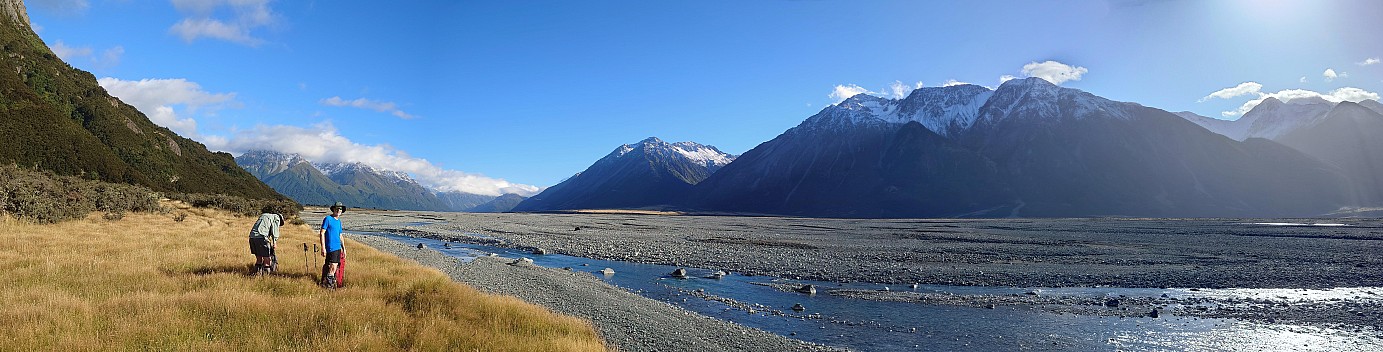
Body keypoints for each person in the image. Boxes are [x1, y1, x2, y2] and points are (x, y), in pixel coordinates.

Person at [248, 207, 284, 275]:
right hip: (261, 238)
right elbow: (274, 231)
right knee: (267, 259)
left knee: (259, 259)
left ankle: (255, 274)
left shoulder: (264, 215)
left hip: (252, 238)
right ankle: (266, 277)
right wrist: (274, 242)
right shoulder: (276, 218)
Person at [319, 202, 346, 287]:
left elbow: (340, 235)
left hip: (338, 248)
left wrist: (344, 248)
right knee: (333, 267)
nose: (339, 210)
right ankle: (329, 286)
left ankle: (325, 283)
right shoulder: (328, 219)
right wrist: (323, 247)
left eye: (340, 209)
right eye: (337, 208)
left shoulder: (338, 221)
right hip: (331, 247)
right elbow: (322, 233)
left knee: (331, 266)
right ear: (333, 209)